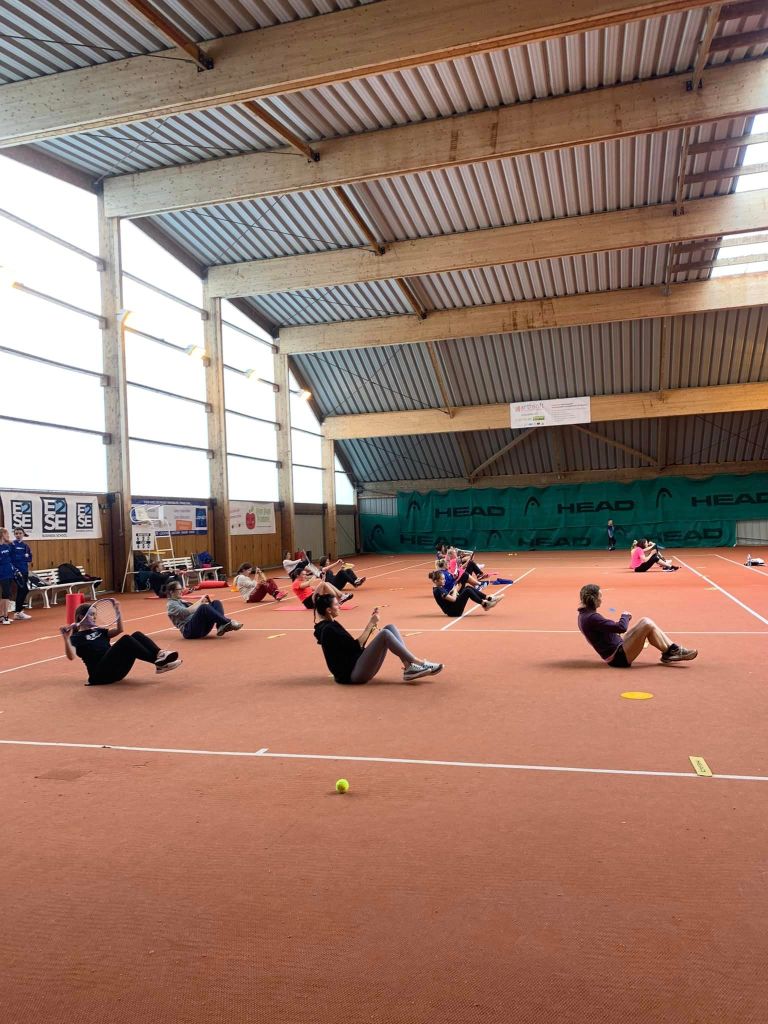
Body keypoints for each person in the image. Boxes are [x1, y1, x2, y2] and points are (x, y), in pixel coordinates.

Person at [313, 595, 442, 684]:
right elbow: (356, 646)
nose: (339, 606)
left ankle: (409, 667)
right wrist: (371, 623)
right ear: (328, 610)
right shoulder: (329, 629)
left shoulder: (328, 626)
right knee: (385, 634)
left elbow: (353, 647)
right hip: (352, 674)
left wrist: (372, 624)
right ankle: (418, 662)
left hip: (357, 664)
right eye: (336, 604)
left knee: (390, 627)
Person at [61, 599, 181, 684]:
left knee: (136, 635)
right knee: (126, 640)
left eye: (95, 615)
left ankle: (160, 654)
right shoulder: (76, 637)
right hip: (100, 675)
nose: (94, 617)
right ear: (81, 617)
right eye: (91, 615)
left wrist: (118, 611)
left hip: (116, 671)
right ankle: (159, 663)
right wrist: (66, 639)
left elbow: (119, 630)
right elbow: (71, 657)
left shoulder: (99, 630)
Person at [577, 583, 697, 667]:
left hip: (618, 646)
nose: (601, 600)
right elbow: (621, 627)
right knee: (646, 623)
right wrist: (625, 616)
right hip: (618, 658)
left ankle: (671, 651)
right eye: (600, 597)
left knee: (647, 624)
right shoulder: (592, 617)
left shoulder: (583, 615)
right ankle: (672, 651)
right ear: (593, 599)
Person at [166, 581, 242, 639]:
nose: (181, 591)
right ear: (171, 592)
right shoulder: (171, 604)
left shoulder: (180, 601)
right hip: (189, 631)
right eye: (179, 589)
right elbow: (187, 612)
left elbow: (195, 610)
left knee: (216, 602)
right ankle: (228, 622)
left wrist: (204, 602)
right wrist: (201, 601)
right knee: (203, 607)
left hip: (200, 627)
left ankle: (220, 626)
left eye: (181, 589)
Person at [429, 569, 503, 617]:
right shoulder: (438, 590)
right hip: (453, 612)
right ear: (436, 581)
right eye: (442, 579)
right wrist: (455, 590)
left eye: (444, 579)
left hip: (453, 607)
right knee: (467, 591)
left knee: (467, 587)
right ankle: (485, 604)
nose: (444, 580)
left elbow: (448, 598)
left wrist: (455, 590)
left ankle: (488, 598)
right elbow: (453, 599)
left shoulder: (439, 588)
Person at [9, 527, 33, 620]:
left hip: (24, 570)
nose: (18, 535)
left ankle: (18, 612)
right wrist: (20, 558)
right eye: (16, 533)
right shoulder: (12, 545)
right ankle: (18, 611)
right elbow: (10, 558)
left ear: (23, 534)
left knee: (22, 590)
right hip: (16, 572)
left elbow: (29, 558)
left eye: (20, 533)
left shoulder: (26, 546)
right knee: (24, 589)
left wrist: (24, 558)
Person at [0, 527, 16, 625]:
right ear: (2, 534)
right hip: (2, 574)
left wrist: (11, 543)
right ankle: (5, 617)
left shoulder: (7, 546)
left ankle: (2, 616)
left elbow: (13, 555)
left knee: (5, 595)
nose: (8, 536)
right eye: (7, 534)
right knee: (6, 594)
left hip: (9, 573)